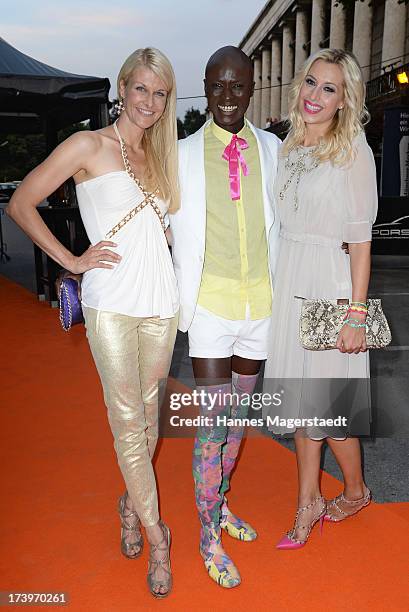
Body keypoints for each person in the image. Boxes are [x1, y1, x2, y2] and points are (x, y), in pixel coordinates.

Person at [7, 48, 179, 598]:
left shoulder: (161, 152)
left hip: (162, 302)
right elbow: (22, 203)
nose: (149, 102)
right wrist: (73, 260)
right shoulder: (88, 145)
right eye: (141, 89)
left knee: (150, 420)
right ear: (123, 87)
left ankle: (131, 504)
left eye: (160, 93)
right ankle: (157, 536)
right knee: (128, 420)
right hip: (111, 302)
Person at [170, 46, 281, 587]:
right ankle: (207, 531)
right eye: (219, 86)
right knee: (212, 426)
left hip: (259, 306)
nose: (229, 97)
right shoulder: (183, 153)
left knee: (238, 423)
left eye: (239, 86)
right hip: (210, 306)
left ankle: (222, 506)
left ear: (252, 87)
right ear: (207, 86)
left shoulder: (274, 150)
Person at [264, 48, 377, 549]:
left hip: (329, 282)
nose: (315, 95)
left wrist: (355, 312)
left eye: (329, 88)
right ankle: (309, 500)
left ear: (344, 99)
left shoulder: (353, 149)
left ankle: (352, 492)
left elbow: (360, 241)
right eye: (311, 82)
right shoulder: (287, 145)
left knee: (328, 409)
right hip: (288, 279)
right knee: (302, 404)